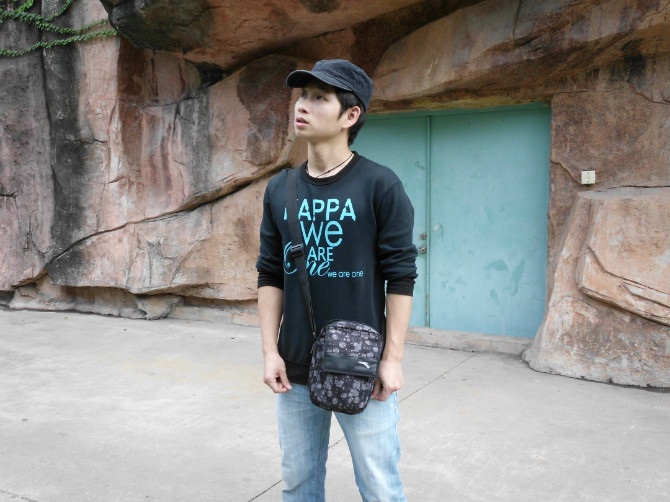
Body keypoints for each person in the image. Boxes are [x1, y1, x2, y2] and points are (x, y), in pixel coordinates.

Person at [256, 59, 418, 502]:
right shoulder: (280, 189)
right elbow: (270, 273)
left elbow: (401, 276)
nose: (302, 106)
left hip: (361, 366)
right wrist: (270, 352)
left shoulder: (380, 185)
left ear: (351, 115)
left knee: (380, 489)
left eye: (319, 98)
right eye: (302, 96)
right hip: (295, 367)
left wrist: (392, 359)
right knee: (298, 486)